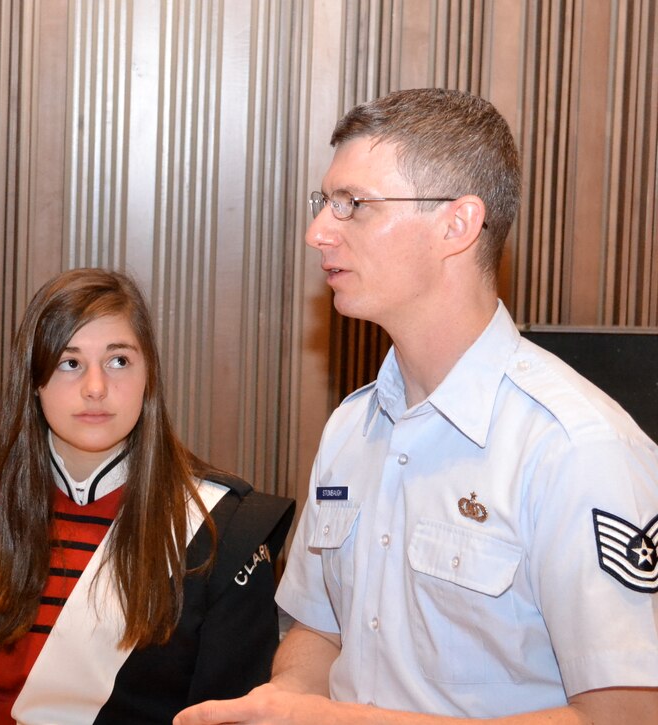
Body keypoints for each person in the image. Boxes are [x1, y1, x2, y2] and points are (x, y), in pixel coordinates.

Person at [176, 88, 658, 724]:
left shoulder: (578, 447)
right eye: (325, 203)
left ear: (455, 225)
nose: (318, 231)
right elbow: (319, 632)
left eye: (354, 205)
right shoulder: (353, 425)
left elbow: (623, 716)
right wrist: (286, 698)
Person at [0, 267, 295, 723]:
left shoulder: (224, 530)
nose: (96, 388)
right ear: (35, 380)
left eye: (118, 361)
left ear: (149, 374)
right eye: (70, 363)